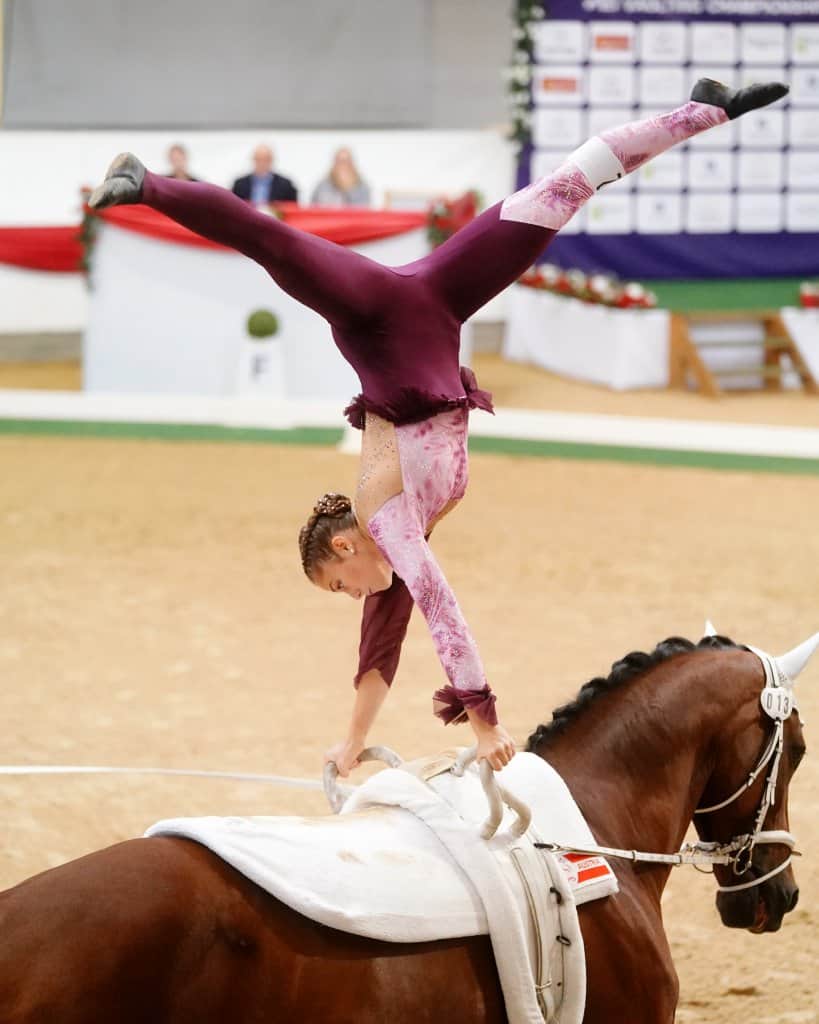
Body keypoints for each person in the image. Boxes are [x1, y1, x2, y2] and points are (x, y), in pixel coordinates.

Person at [88, 79, 787, 777]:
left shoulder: (385, 519)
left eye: (339, 584)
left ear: (342, 545)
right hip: (439, 304)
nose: (355, 597)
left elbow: (444, 616)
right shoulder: (398, 538)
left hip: (377, 315)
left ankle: (146, 183)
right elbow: (380, 651)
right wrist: (351, 741)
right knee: (564, 192)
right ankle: (708, 109)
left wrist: (485, 722)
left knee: (275, 241)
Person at [232, 144, 298, 205]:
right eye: (258, 159)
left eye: (266, 159)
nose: (262, 163)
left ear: (271, 160)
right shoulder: (240, 184)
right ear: (253, 160)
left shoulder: (285, 185)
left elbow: (292, 208)